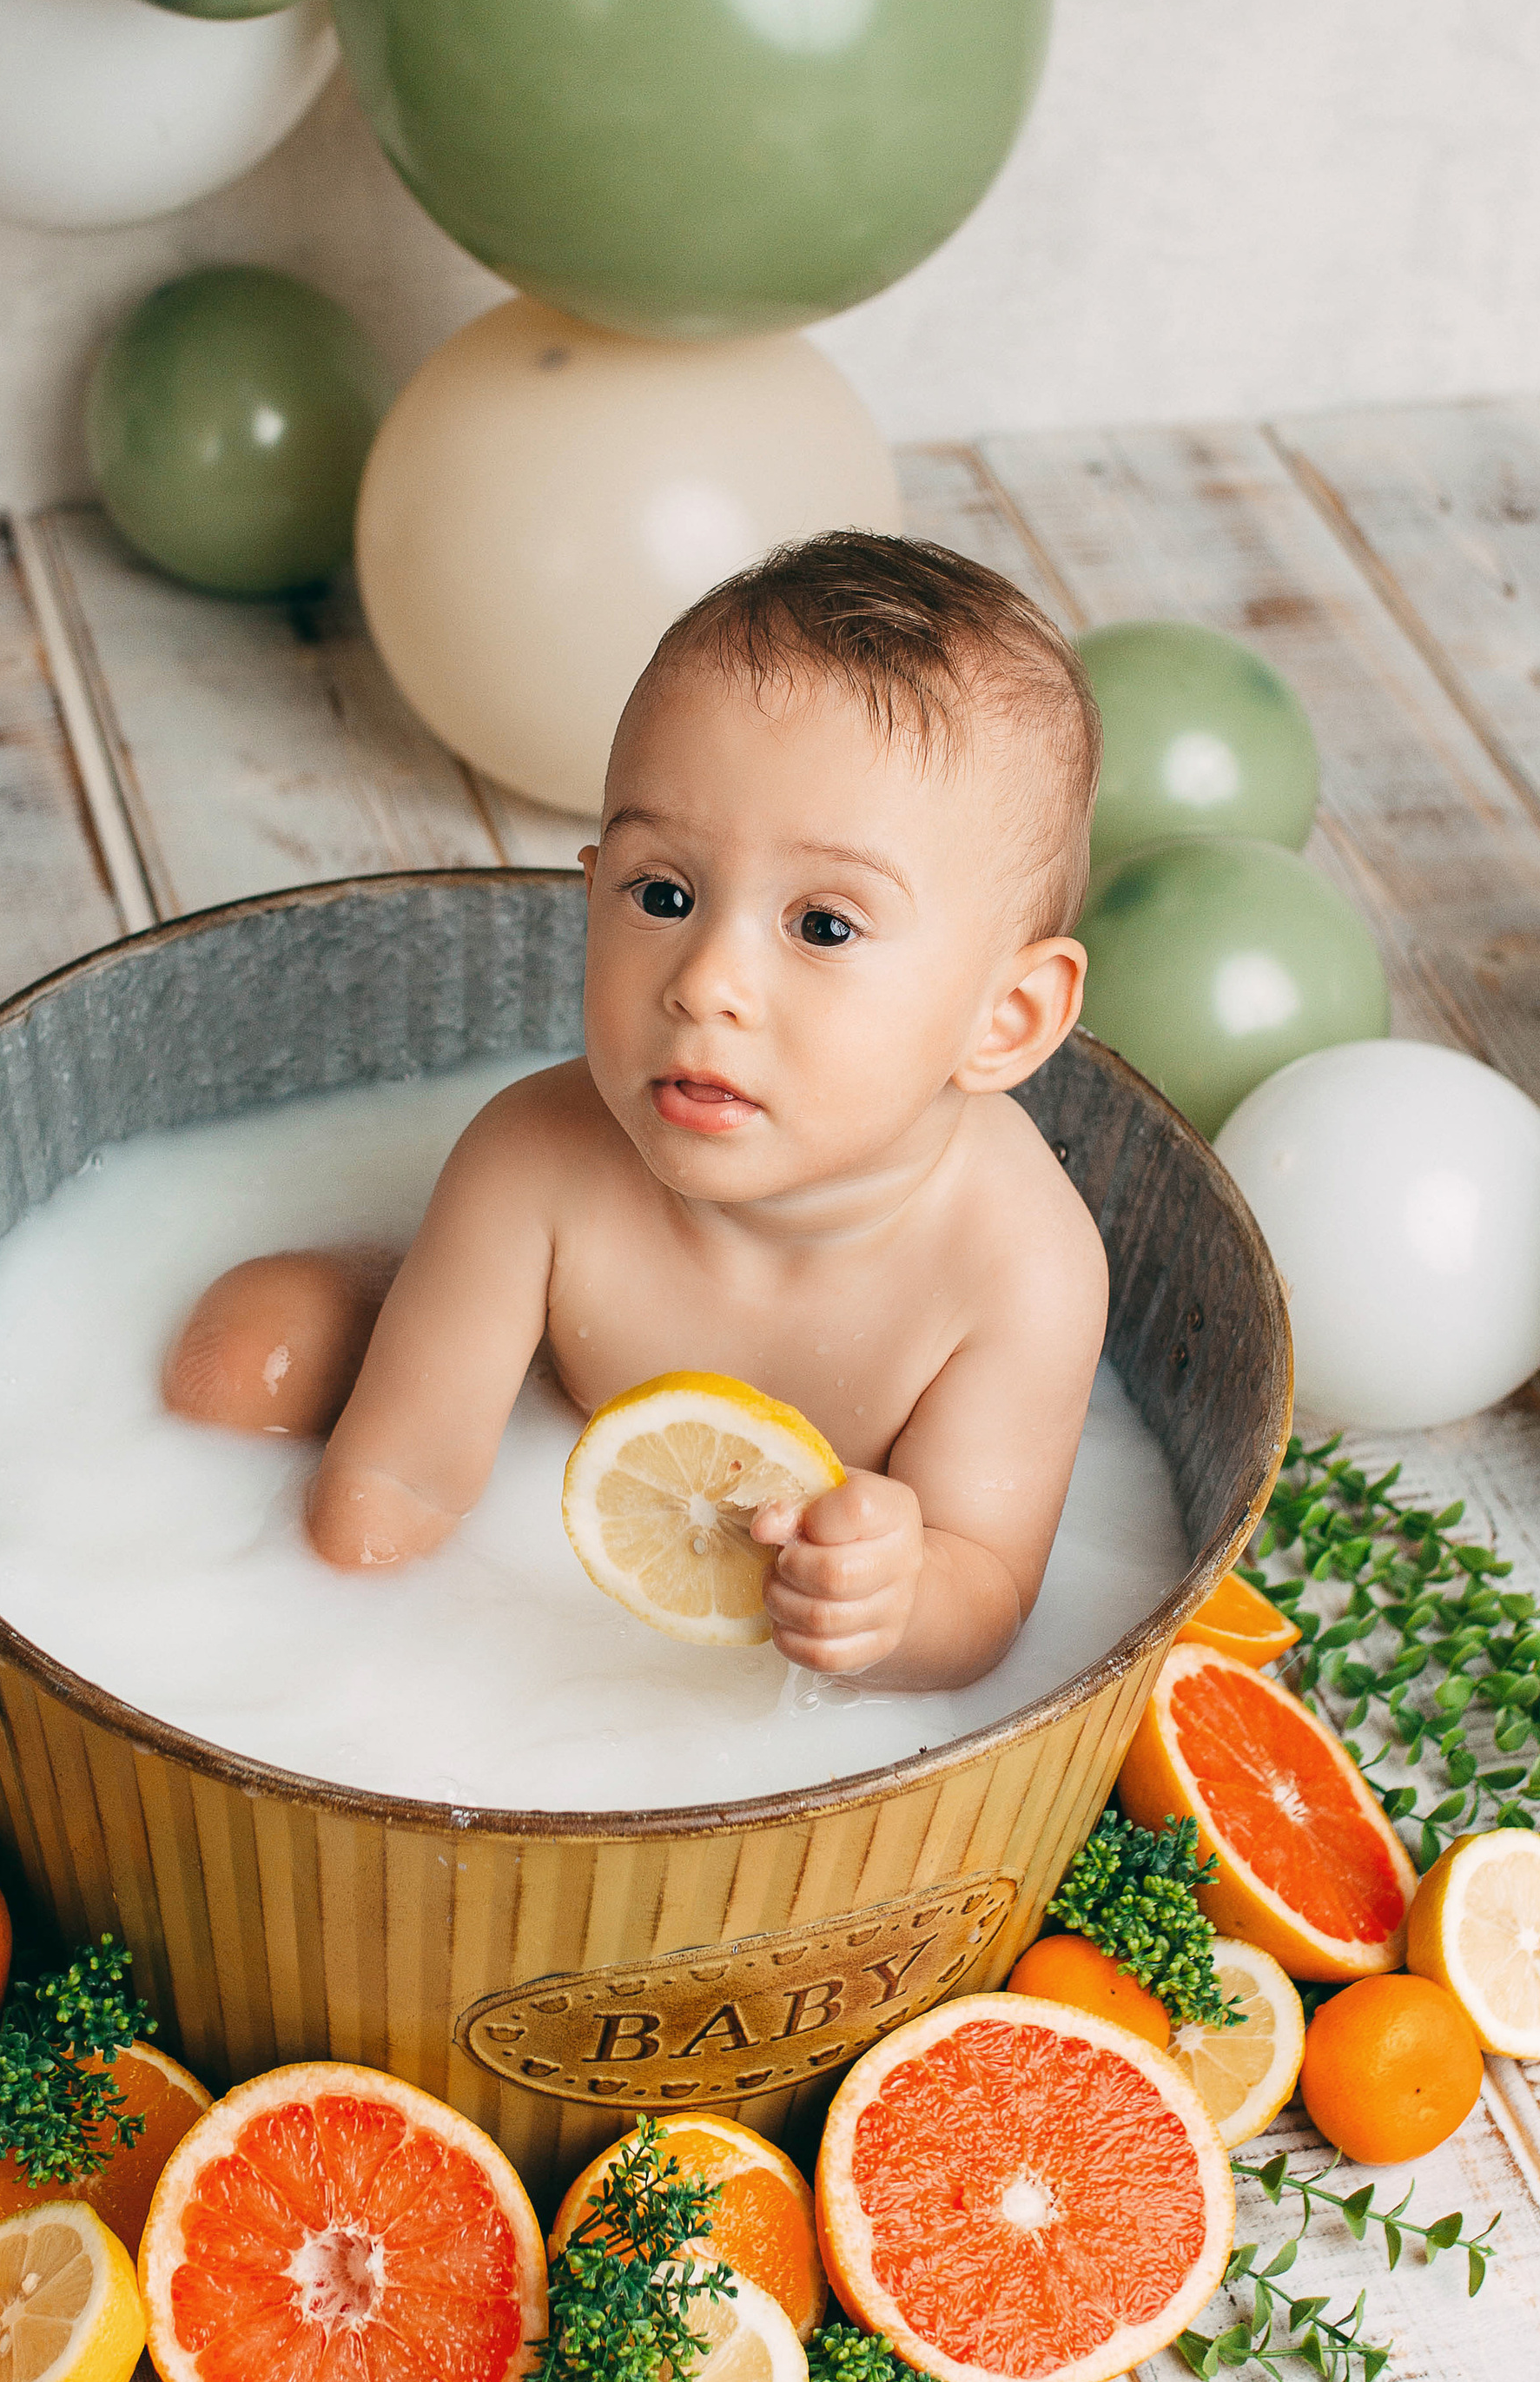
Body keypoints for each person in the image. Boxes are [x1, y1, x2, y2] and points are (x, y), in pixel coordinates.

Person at [163, 531, 1107, 1693]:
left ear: (1006, 1019)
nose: (706, 982)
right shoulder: (537, 1158)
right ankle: (379, 1289)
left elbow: (989, 1591)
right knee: (239, 1357)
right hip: (553, 1407)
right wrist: (330, 1652)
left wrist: (899, 1602)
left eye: (823, 926)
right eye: (662, 894)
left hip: (776, 1574)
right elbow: (400, 1481)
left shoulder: (1020, 1267)